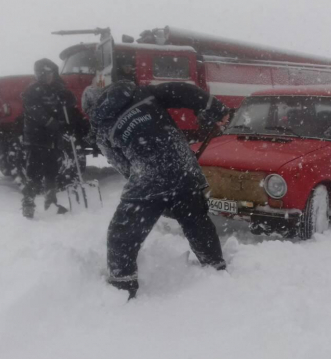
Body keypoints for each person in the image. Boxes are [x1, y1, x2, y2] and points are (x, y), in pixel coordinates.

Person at [90, 81, 230, 299]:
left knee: (122, 236)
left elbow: (123, 166)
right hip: (184, 166)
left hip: (148, 176)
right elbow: (183, 91)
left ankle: (122, 288)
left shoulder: (102, 129)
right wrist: (214, 107)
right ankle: (216, 267)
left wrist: (151, 195)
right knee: (196, 221)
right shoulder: (140, 93)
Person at [20, 58, 79, 219]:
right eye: (41, 73)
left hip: (53, 139)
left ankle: (51, 202)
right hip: (36, 138)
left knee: (51, 171)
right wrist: (55, 123)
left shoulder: (58, 89)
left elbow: (70, 105)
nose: (44, 76)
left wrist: (68, 98)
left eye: (47, 73)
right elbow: (36, 112)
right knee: (34, 172)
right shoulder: (31, 91)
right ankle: (28, 203)